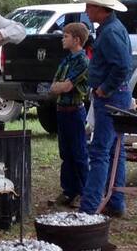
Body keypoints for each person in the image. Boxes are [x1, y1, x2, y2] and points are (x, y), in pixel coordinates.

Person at [73, 0, 132, 216]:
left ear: (101, 8)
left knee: (99, 151)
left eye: (89, 6)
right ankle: (115, 202)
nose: (86, 10)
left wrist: (105, 89)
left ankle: (90, 207)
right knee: (115, 149)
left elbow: (123, 66)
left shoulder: (110, 32)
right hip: (117, 95)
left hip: (110, 97)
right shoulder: (112, 28)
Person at [50, 23, 90, 207]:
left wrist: (60, 86)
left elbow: (66, 86)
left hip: (75, 111)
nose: (62, 39)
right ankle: (68, 190)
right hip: (61, 111)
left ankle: (83, 192)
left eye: (66, 36)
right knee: (65, 153)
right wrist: (59, 86)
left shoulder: (82, 61)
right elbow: (53, 86)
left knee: (79, 153)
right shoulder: (66, 60)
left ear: (77, 40)